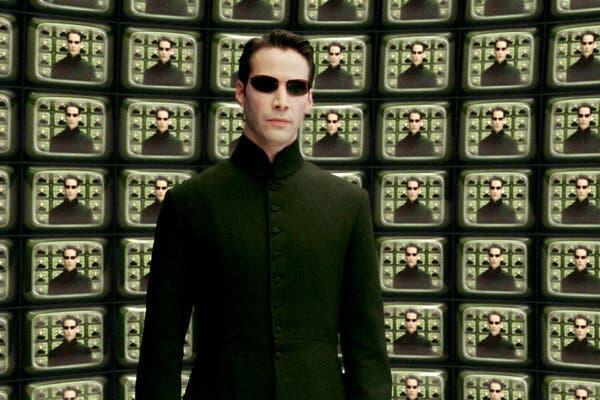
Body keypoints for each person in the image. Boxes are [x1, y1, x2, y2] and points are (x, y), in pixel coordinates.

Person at [135, 29, 391, 399]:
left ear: (310, 100)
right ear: (241, 92)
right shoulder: (189, 202)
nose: (281, 101)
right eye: (266, 84)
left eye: (296, 88)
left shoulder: (348, 204)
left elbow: (366, 344)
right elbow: (162, 343)